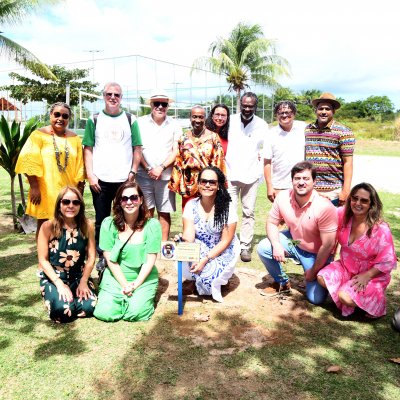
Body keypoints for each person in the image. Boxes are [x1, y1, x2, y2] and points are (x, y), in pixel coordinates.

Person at [257, 161, 338, 304]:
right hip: (295, 243)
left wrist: (313, 271)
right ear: (292, 180)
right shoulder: (282, 197)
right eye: (297, 178)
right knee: (264, 247)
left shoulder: (324, 207)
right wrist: (276, 245)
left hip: (317, 254)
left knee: (316, 299)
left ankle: (315, 274)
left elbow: (328, 245)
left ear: (314, 181)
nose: (301, 182)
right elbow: (271, 222)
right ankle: (282, 282)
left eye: (306, 179)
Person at [82, 82, 142, 271]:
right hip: (101, 181)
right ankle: (102, 255)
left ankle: (123, 252)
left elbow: (137, 148)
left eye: (117, 94)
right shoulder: (95, 119)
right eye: (109, 94)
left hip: (124, 181)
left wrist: (132, 173)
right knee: (102, 220)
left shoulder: (131, 119)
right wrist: (91, 175)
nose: (113, 97)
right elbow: (88, 149)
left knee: (125, 217)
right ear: (104, 96)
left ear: (121, 97)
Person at [317, 183, 397, 318]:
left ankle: (377, 304)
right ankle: (352, 296)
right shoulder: (343, 214)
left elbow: (388, 260)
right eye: (354, 198)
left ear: (372, 204)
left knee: (345, 297)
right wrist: (318, 198)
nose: (358, 203)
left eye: (364, 200)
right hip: (346, 267)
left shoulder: (381, 229)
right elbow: (326, 211)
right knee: (321, 278)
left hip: (372, 274)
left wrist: (368, 275)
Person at [94, 181, 162, 322]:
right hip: (115, 275)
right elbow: (109, 259)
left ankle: (139, 298)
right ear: (118, 202)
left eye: (134, 197)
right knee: (105, 313)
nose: (129, 202)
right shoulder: (108, 224)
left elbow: (150, 260)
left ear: (141, 200)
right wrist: (125, 284)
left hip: (143, 277)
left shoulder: (152, 225)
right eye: (124, 198)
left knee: (135, 314)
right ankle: (120, 298)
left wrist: (135, 284)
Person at [15, 102, 85, 239]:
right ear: (50, 115)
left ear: (68, 119)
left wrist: (79, 190)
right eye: (57, 114)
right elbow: (28, 161)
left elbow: (80, 165)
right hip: (45, 189)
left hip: (68, 189)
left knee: (68, 223)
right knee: (45, 224)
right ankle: (43, 258)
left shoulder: (75, 138)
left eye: (65, 116)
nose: (60, 118)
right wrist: (34, 187)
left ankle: (62, 256)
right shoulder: (38, 135)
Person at [37, 186, 96, 323]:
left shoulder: (87, 225)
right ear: (59, 205)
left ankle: (71, 298)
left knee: (90, 308)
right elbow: (43, 260)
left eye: (76, 202)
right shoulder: (47, 226)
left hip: (78, 276)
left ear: (80, 206)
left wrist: (84, 281)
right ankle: (56, 297)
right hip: (54, 277)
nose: (71, 206)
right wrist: (59, 284)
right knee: (63, 312)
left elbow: (91, 257)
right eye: (66, 202)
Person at [181, 166, 240, 302]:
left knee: (208, 277)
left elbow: (225, 241)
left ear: (218, 185)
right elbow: (189, 235)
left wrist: (205, 260)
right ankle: (194, 280)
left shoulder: (227, 208)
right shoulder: (191, 205)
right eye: (203, 181)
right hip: (198, 246)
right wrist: (193, 257)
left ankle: (219, 281)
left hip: (221, 249)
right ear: (199, 184)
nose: (207, 185)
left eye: (212, 182)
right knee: (187, 261)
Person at [225, 92, 269, 262]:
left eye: (251, 106)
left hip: (251, 175)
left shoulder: (262, 125)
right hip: (230, 174)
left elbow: (267, 149)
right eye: (245, 105)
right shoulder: (231, 121)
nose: (247, 108)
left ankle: (245, 247)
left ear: (255, 107)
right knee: (229, 211)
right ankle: (228, 244)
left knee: (248, 212)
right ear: (240, 105)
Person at [137, 88, 181, 241]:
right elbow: (137, 149)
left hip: (166, 176)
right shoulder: (140, 122)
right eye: (157, 103)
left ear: (168, 106)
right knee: (145, 211)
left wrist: (161, 168)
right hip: (143, 175)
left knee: (164, 212)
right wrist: (148, 168)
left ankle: (163, 246)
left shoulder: (175, 124)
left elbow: (176, 151)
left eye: (164, 104)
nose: (160, 107)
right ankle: (147, 243)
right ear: (151, 105)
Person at [169, 105, 225, 209]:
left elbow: (219, 162)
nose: (197, 120)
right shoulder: (183, 138)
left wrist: (219, 184)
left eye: (201, 117)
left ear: (205, 118)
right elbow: (178, 162)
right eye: (194, 117)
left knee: (207, 216)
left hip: (207, 184)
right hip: (188, 185)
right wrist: (175, 184)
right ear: (190, 118)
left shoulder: (213, 137)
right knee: (188, 216)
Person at [305, 92, 355, 206]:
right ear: (315, 111)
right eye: (320, 108)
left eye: (327, 109)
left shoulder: (344, 132)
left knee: (332, 223)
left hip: (333, 190)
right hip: (311, 188)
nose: (323, 112)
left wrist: (345, 191)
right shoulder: (308, 130)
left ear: (333, 111)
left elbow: (348, 163)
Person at [263, 100, 306, 202]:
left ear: (294, 114)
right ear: (276, 115)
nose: (284, 115)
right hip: (280, 185)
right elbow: (267, 163)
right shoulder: (270, 134)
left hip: (302, 183)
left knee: (303, 216)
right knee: (282, 217)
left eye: (288, 112)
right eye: (281, 113)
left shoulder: (303, 128)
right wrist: (269, 186)